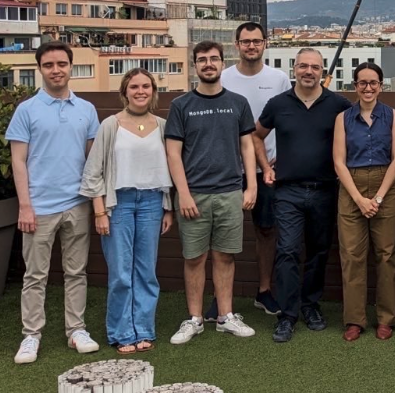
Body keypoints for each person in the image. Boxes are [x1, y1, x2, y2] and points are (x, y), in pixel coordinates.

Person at [7, 41, 102, 364]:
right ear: (40, 69)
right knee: (35, 276)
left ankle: (76, 330)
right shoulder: (26, 110)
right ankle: (31, 336)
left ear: (70, 67)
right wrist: (25, 206)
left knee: (77, 272)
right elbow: (18, 161)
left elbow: (93, 161)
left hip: (78, 204)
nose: (56, 70)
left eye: (61, 64)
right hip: (39, 207)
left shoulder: (87, 109)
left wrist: (97, 203)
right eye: (49, 65)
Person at [166, 40, 258, 345]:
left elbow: (247, 146)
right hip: (194, 194)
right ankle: (194, 319)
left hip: (230, 192)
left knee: (225, 256)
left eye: (214, 59)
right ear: (195, 65)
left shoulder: (238, 102)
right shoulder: (181, 105)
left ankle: (225, 316)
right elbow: (173, 153)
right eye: (202, 59)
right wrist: (184, 194)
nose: (208, 64)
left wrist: (251, 185)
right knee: (194, 258)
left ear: (222, 63)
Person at [256, 48, 351, 343]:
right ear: (294, 69)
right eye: (303, 66)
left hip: (325, 190)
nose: (309, 71)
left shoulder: (338, 105)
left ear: (322, 71)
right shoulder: (278, 103)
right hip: (288, 191)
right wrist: (265, 167)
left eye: (315, 67)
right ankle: (287, 315)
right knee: (287, 250)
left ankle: (310, 306)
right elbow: (256, 135)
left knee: (319, 252)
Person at [80, 68, 175, 354]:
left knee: (146, 272)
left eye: (146, 86)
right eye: (134, 86)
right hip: (118, 204)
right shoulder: (110, 125)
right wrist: (99, 212)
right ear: (124, 92)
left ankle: (144, 330)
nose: (140, 91)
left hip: (152, 203)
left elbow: (169, 169)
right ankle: (122, 333)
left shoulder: (163, 125)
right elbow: (93, 171)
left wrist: (168, 209)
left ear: (153, 91)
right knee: (121, 273)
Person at [212, 21, 291, 319]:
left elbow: (288, 119)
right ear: (237, 45)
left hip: (267, 169)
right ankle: (220, 298)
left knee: (266, 230)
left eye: (257, 41)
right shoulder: (223, 78)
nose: (251, 46)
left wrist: (282, 157)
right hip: (229, 170)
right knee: (222, 234)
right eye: (245, 41)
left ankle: (264, 291)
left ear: (265, 43)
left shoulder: (279, 78)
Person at [333, 62, 395, 341]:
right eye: (362, 83)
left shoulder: (393, 116)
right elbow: (339, 162)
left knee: (386, 255)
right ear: (355, 86)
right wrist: (359, 199)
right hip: (351, 187)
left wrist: (378, 197)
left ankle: (386, 318)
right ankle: (355, 320)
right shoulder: (343, 118)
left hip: (385, 185)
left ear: (381, 85)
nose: (368, 88)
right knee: (352, 255)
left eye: (373, 82)